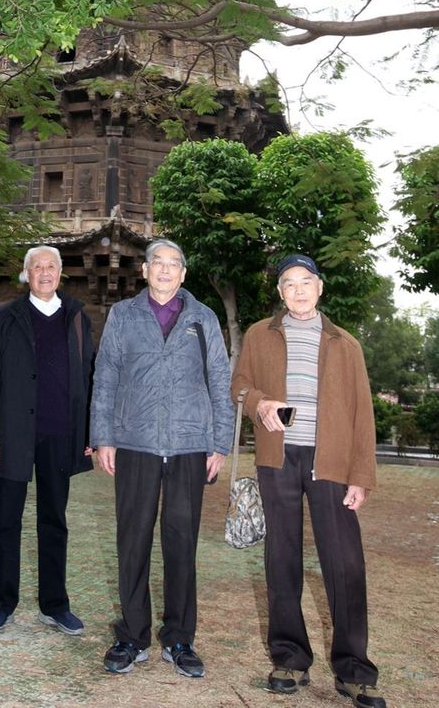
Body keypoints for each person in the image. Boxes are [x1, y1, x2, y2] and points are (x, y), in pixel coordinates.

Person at [232, 254, 385, 708]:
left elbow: (363, 414)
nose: (297, 290)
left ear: (319, 288)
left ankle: (354, 670)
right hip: (277, 459)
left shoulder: (346, 344)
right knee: (282, 559)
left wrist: (361, 476)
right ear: (280, 292)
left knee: (345, 564)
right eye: (288, 283)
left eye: (305, 282)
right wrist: (259, 403)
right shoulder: (259, 335)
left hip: (331, 463)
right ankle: (290, 658)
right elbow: (238, 386)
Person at [90, 239, 233, 677]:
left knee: (181, 542)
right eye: (158, 263)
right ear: (145, 270)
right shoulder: (123, 315)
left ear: (183, 274)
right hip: (135, 442)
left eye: (174, 264)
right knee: (132, 540)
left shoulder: (203, 318)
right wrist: (103, 437)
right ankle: (132, 635)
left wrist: (220, 442)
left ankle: (180, 637)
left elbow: (219, 378)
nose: (166, 270)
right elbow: (106, 376)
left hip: (190, 444)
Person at [0, 245, 94, 636]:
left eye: (51, 267)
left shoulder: (77, 318)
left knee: (54, 521)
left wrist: (89, 432)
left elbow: (89, 378)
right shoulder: (7, 317)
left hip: (60, 432)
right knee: (6, 519)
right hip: (13, 432)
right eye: (37, 267)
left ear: (60, 273)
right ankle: (1, 604)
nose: (44, 273)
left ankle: (55, 605)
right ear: (27, 274)